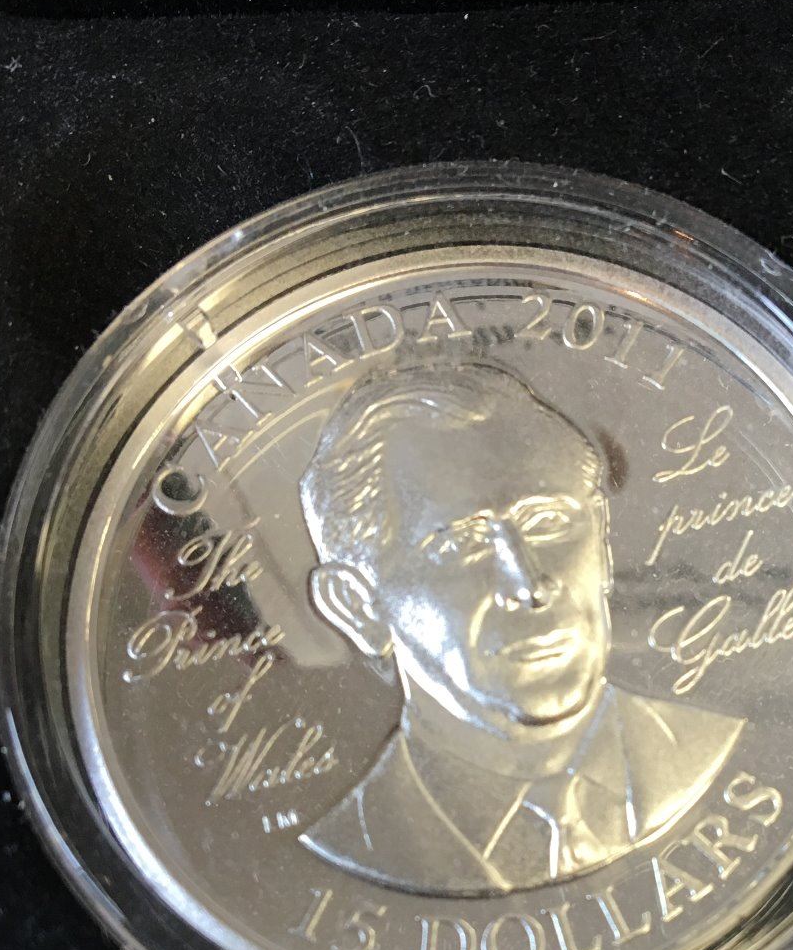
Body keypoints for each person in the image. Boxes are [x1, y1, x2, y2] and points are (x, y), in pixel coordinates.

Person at [297, 359, 742, 895]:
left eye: (547, 523)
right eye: (461, 543)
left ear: (602, 543)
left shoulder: (720, 745)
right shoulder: (350, 845)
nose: (528, 585)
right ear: (358, 606)